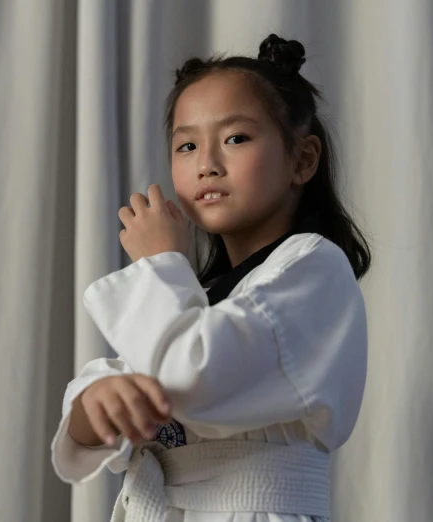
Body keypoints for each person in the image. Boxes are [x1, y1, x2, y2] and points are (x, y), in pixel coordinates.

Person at [51, 33, 372, 522]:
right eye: (186, 145)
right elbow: (111, 401)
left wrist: (157, 263)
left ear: (303, 159)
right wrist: (98, 402)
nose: (206, 165)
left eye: (235, 138)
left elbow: (192, 375)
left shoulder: (315, 268)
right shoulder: (194, 300)